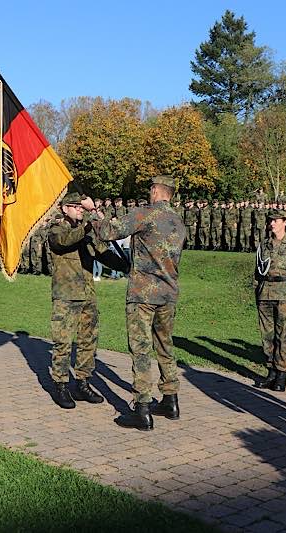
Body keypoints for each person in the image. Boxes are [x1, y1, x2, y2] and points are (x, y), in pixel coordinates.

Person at [84, 175, 185, 431]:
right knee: (165, 345)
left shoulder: (145, 214)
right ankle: (170, 400)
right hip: (168, 293)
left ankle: (142, 408)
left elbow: (108, 232)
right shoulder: (178, 221)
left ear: (154, 191)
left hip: (143, 294)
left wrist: (94, 211)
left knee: (140, 349)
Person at [48, 192, 123, 409]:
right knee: (62, 342)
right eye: (76, 206)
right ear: (64, 209)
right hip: (66, 295)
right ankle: (61, 385)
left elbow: (104, 254)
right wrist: (89, 222)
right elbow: (64, 242)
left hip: (87, 294)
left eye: (82, 207)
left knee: (88, 340)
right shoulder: (57, 229)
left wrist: (125, 265)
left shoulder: (86, 232)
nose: (80, 209)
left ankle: (82, 382)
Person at [253, 209, 286, 392]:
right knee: (267, 336)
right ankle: (271, 371)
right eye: (270, 221)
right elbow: (257, 271)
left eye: (276, 220)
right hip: (265, 293)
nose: (272, 224)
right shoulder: (265, 244)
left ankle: (282, 373)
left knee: (282, 335)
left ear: (285, 222)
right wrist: (256, 291)